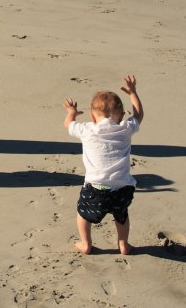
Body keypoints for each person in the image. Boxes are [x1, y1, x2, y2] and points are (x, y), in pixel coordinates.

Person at [62, 75, 144, 255]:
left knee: (83, 213)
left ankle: (86, 244)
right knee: (121, 216)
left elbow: (68, 124)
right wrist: (133, 92)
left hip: (95, 188)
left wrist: (72, 113)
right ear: (122, 115)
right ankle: (123, 244)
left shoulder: (87, 129)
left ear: (92, 116)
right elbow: (139, 115)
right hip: (122, 188)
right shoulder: (125, 128)